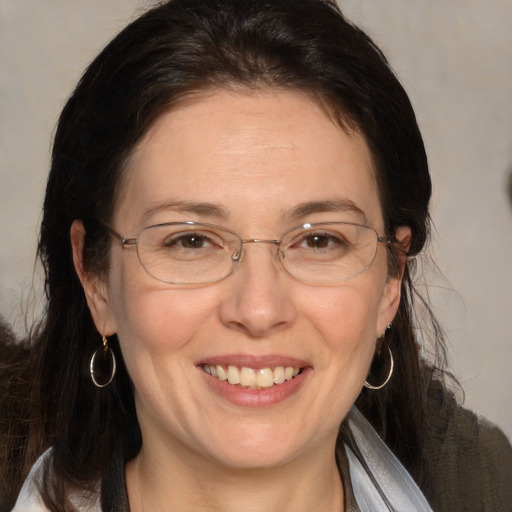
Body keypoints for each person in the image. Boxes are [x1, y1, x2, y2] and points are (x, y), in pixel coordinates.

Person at [2, 0, 511, 510]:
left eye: (318, 240)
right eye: (191, 241)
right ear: (95, 280)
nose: (260, 309)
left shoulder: (487, 489)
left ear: (391, 277)